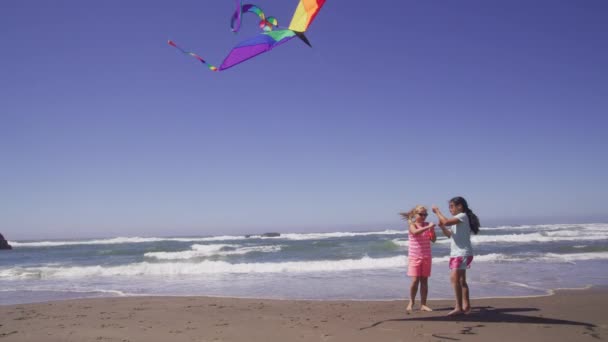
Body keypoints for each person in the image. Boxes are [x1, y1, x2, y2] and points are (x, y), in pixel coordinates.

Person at [432, 196, 480, 316]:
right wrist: (442, 227)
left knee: (454, 279)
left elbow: (446, 221)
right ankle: (466, 306)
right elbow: (450, 235)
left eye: (452, 206)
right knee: (461, 280)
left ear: (460, 206)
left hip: (461, 253)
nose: (450, 209)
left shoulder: (462, 216)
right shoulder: (458, 219)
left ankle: (458, 307)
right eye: (449, 207)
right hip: (459, 253)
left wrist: (437, 212)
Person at [401, 205, 436, 312]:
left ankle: (423, 304)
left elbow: (433, 240)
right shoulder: (412, 225)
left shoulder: (427, 225)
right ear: (415, 215)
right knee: (415, 280)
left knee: (424, 281)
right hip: (414, 256)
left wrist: (432, 230)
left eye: (425, 214)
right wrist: (428, 227)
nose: (423, 216)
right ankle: (411, 302)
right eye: (421, 214)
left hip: (426, 256)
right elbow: (415, 232)